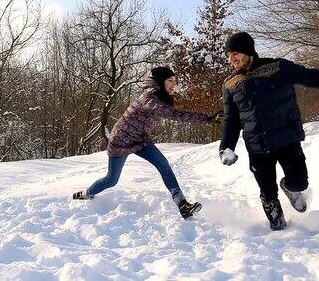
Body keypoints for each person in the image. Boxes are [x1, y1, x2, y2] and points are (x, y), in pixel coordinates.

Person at [73, 67, 219, 219]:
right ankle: (86, 193)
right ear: (160, 82)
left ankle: (182, 204)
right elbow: (173, 114)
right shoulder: (149, 98)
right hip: (121, 141)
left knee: (163, 164)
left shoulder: (160, 97)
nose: (174, 84)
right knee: (111, 179)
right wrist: (208, 118)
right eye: (170, 80)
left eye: (175, 81)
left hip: (140, 139)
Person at [219, 32, 319, 230]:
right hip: (257, 146)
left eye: (235, 53)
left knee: (299, 182)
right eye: (229, 55)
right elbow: (231, 120)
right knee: (267, 191)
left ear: (248, 51)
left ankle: (290, 189)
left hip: (287, 138)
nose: (231, 59)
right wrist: (226, 147)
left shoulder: (278, 67)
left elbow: (309, 76)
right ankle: (278, 227)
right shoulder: (230, 85)